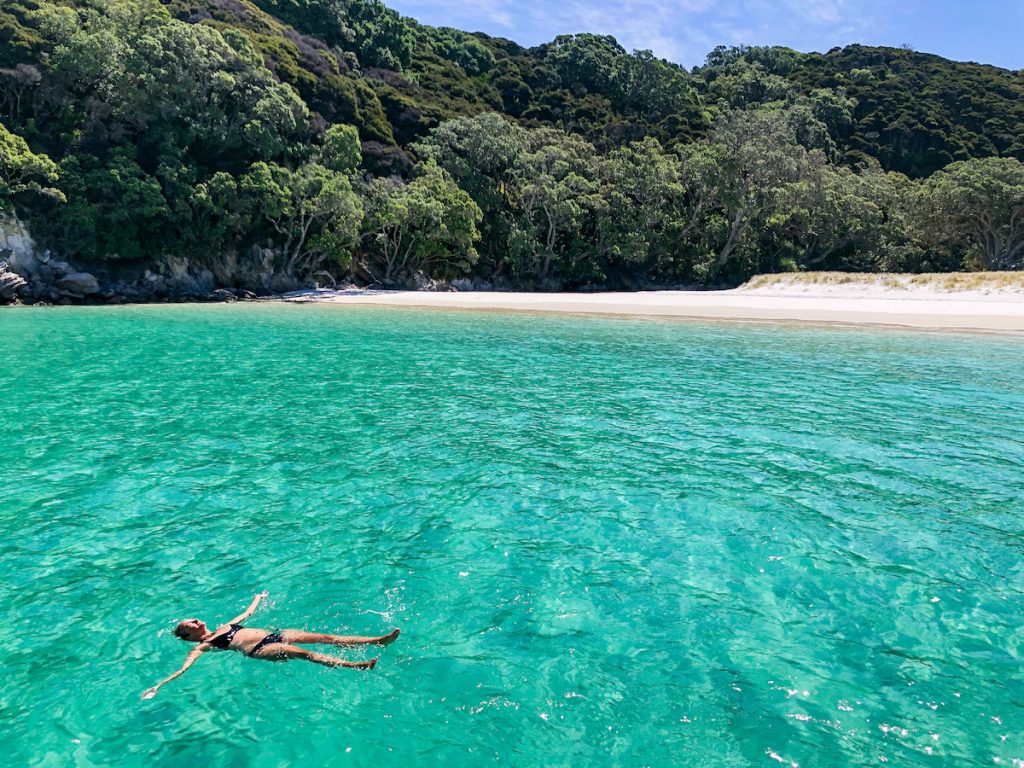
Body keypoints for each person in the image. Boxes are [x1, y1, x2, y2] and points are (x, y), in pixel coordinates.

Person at [141, 591, 400, 699]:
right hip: (259, 649)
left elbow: (247, 615)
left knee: (326, 637)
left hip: (276, 634)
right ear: (186, 636)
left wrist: (258, 598)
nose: (193, 620)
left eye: (191, 619)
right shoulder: (201, 646)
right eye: (187, 625)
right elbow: (184, 669)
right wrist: (159, 685)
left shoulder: (223, 626)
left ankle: (379, 640)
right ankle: (357, 665)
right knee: (306, 654)